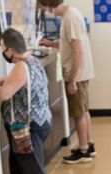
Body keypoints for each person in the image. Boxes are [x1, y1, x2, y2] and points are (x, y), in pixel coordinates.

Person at [0, 29, 58, 174]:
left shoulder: (20, 66)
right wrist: (0, 81)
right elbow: (17, 82)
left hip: (25, 128)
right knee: (19, 163)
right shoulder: (31, 61)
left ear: (11, 50)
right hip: (38, 121)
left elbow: (5, 94)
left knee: (31, 165)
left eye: (3, 48)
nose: (3, 52)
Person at [37, 0, 96, 164]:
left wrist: (72, 80)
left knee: (78, 113)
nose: (45, 12)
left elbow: (78, 50)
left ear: (49, 4)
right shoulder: (70, 15)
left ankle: (83, 150)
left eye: (43, 8)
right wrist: (50, 43)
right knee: (83, 110)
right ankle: (88, 145)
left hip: (77, 74)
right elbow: (68, 43)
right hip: (80, 73)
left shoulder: (70, 17)